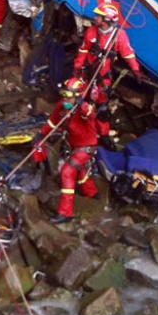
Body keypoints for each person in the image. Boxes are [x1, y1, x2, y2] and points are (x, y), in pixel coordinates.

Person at [32, 77, 115, 224]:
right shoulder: (62, 106)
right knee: (80, 170)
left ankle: (65, 212)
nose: (65, 99)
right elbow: (53, 121)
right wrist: (41, 134)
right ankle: (92, 193)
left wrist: (81, 104)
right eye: (64, 95)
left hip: (86, 147)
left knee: (67, 171)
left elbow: (89, 113)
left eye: (69, 96)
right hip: (74, 146)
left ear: (77, 97)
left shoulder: (84, 110)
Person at [73, 1, 144, 103]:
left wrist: (136, 70)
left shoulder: (119, 35)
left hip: (103, 74)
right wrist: (78, 66)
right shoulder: (91, 31)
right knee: (79, 94)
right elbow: (83, 49)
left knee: (101, 98)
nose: (95, 18)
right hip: (87, 69)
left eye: (98, 16)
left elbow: (128, 54)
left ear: (105, 20)